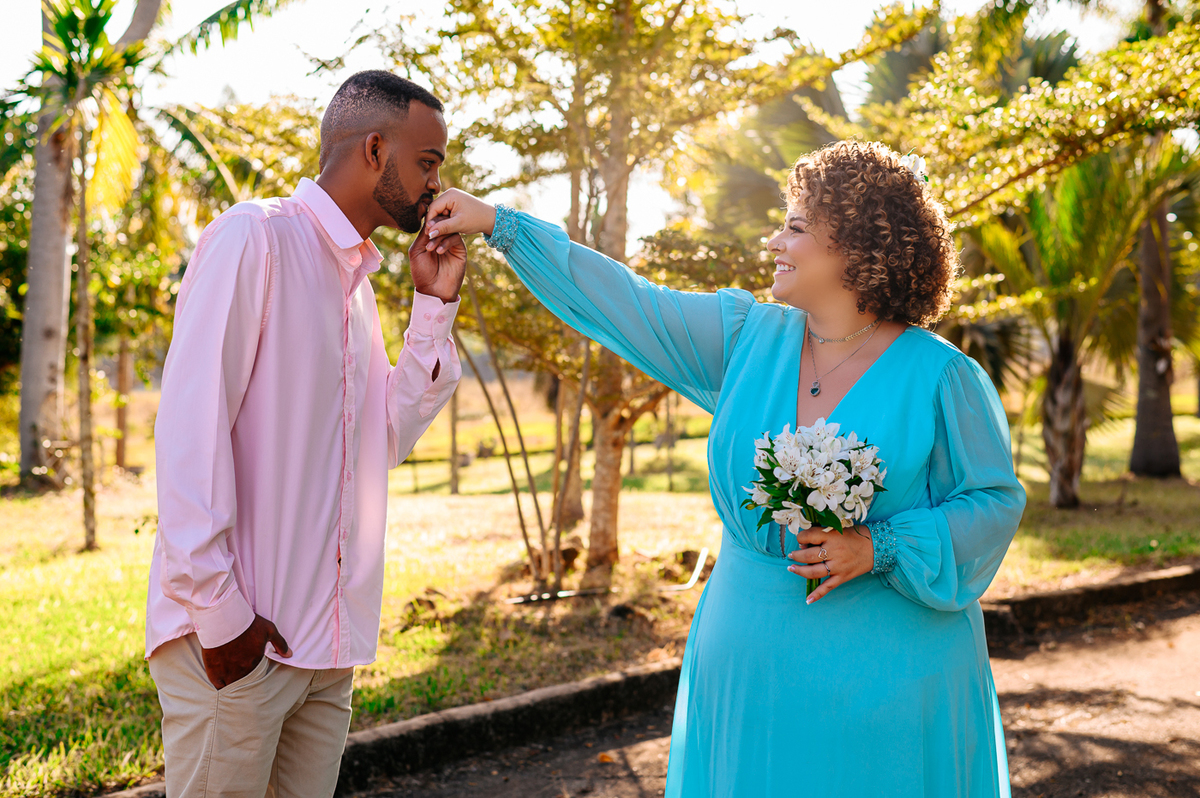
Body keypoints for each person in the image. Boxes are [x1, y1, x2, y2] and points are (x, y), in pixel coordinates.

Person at [422, 139, 1026, 796]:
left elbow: (991, 504)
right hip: (747, 666)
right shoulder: (744, 338)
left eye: (795, 227)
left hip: (890, 685)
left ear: (854, 250)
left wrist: (877, 545)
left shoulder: (943, 379)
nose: (775, 240)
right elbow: (623, 301)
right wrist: (500, 226)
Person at [145, 71, 466, 797]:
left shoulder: (355, 285)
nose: (437, 184)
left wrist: (432, 306)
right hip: (237, 645)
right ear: (376, 149)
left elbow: (379, 447)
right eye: (429, 161)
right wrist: (223, 621)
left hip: (324, 651)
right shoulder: (253, 240)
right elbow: (190, 437)